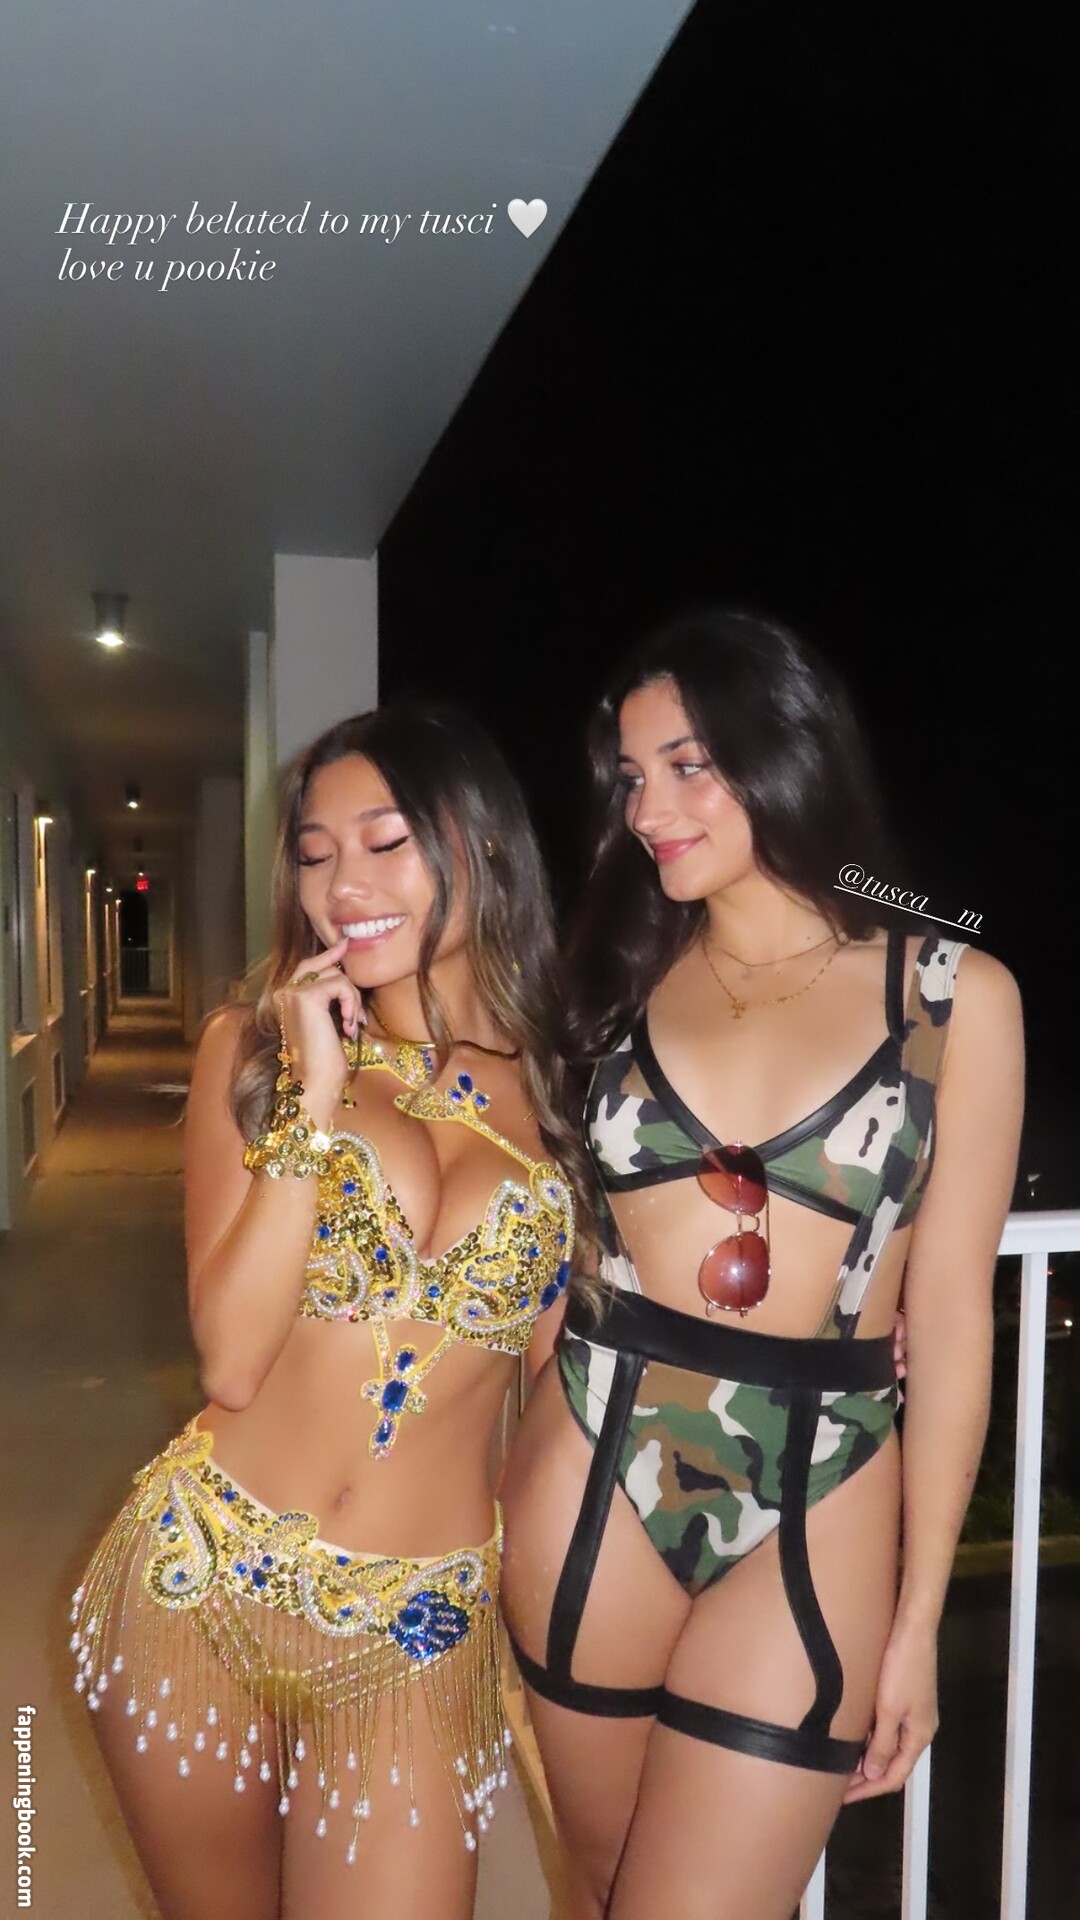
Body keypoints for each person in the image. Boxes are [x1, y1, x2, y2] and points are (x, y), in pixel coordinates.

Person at [499, 607, 1024, 1920]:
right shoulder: (609, 979)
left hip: (823, 1488)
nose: (649, 810)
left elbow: (953, 1317)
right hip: (591, 1473)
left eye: (688, 765)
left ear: (785, 749)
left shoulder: (950, 995)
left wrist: (918, 1626)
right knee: (603, 1895)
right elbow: (541, 1242)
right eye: (632, 777)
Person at [71, 704, 584, 1920]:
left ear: (482, 847)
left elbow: (562, 1398)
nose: (342, 885)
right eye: (314, 854)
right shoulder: (251, 1051)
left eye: (385, 842)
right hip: (199, 1582)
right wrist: (313, 1095)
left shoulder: (570, 1090)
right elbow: (232, 1360)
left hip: (414, 1631)